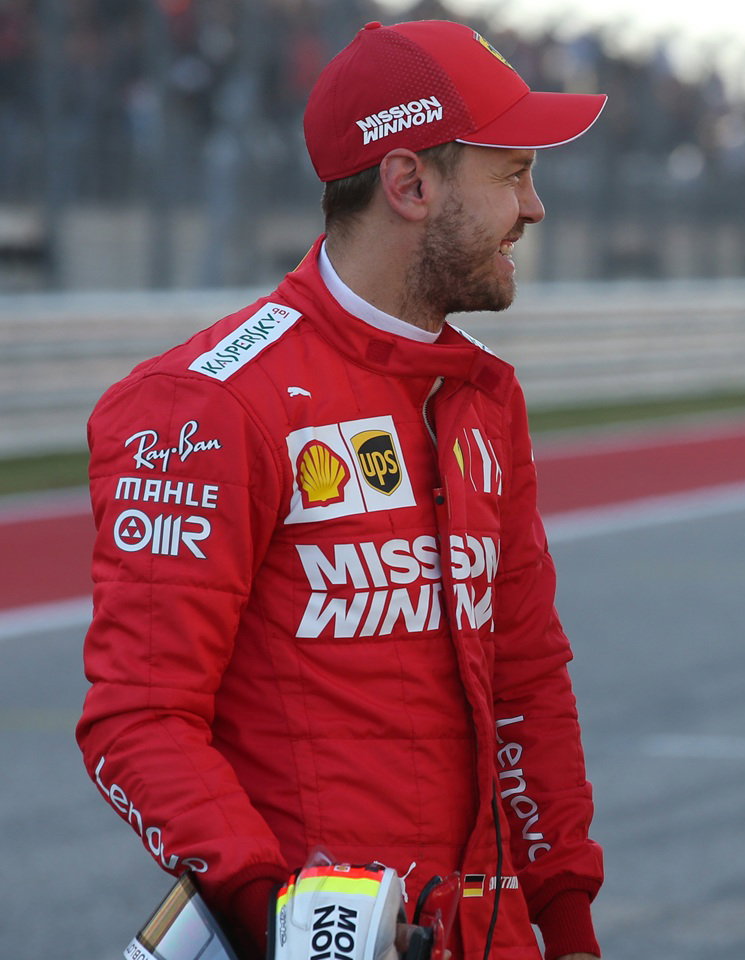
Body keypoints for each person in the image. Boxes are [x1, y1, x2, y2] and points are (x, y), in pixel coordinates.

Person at [76, 20, 607, 960]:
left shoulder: (483, 395)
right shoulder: (203, 407)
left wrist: (565, 918)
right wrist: (287, 917)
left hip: (492, 935)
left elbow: (525, 683)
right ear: (409, 185)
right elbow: (138, 719)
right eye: (511, 173)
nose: (534, 206)